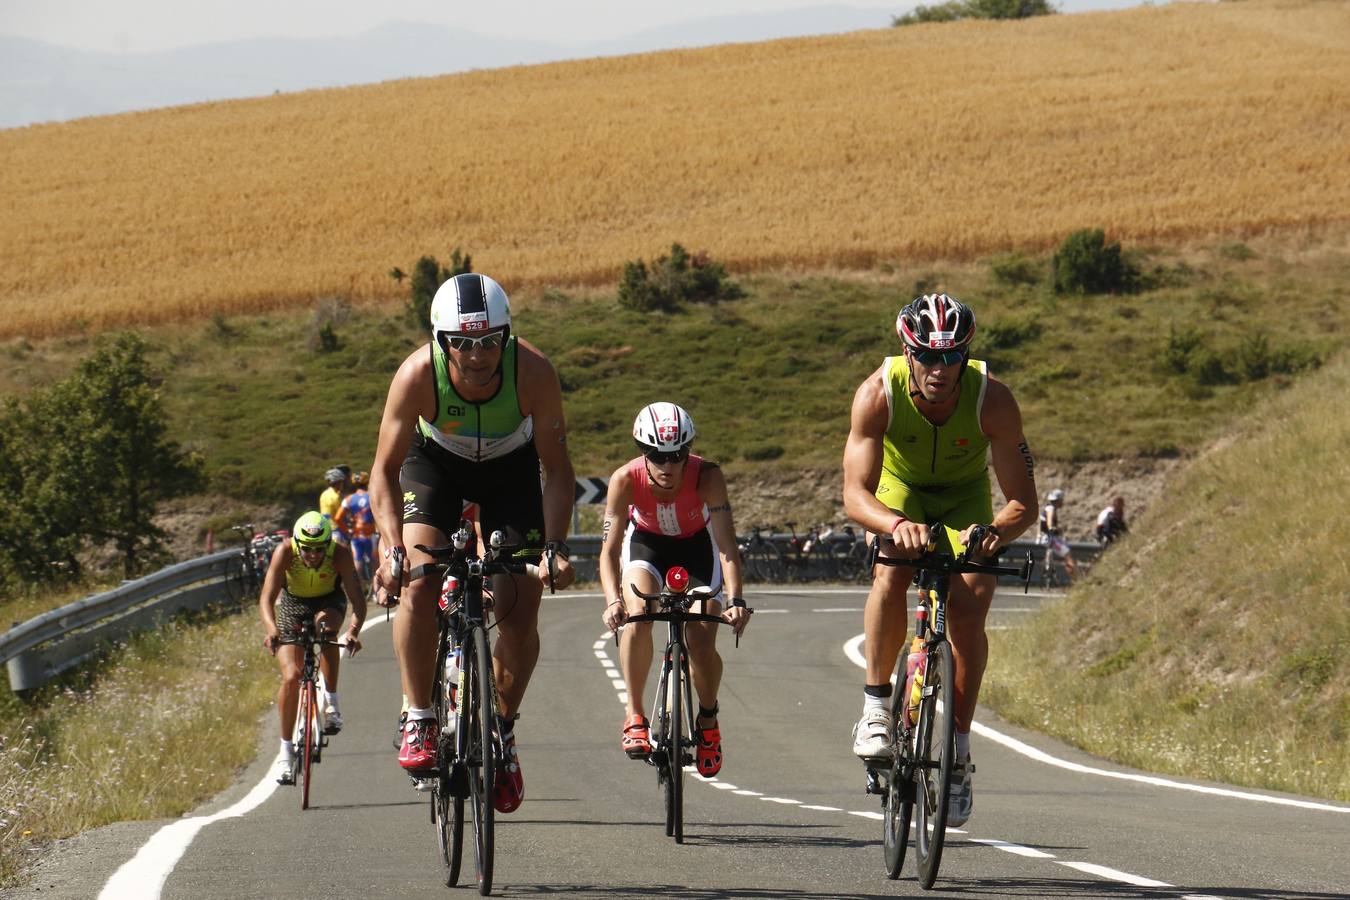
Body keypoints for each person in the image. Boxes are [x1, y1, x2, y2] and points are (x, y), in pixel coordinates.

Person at [370, 272, 576, 814]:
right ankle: (419, 717)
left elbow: (556, 472)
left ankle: (502, 734)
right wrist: (392, 551)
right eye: (463, 342)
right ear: (442, 342)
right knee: (419, 585)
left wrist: (555, 548)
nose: (478, 355)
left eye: (489, 341)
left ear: (506, 337)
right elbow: (383, 473)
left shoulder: (533, 373)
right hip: (435, 468)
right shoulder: (417, 375)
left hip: (510, 473)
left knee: (519, 606)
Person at [841, 292, 1038, 828]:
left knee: (972, 600)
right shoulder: (877, 395)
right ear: (908, 352)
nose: (939, 368)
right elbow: (855, 495)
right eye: (927, 355)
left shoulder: (992, 400)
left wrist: (993, 532)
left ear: (965, 356)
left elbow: (1024, 502)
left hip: (964, 498)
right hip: (899, 494)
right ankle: (877, 708)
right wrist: (894, 525)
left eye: (952, 357)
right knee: (891, 572)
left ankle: (957, 753)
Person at [599, 403, 752, 777]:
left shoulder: (708, 476)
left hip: (696, 546)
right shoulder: (625, 479)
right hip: (647, 545)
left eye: (676, 455)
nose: (667, 466)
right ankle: (635, 715)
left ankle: (708, 719)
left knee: (701, 639)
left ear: (688, 452)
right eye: (657, 455)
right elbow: (609, 551)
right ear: (642, 452)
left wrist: (735, 600)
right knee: (637, 618)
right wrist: (613, 601)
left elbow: (727, 546)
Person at [259, 511, 367, 785]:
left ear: (327, 544)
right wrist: (272, 630)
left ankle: (331, 702)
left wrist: (353, 632)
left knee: (327, 631)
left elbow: (358, 600)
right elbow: (267, 599)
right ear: (297, 543)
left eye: (319, 549)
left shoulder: (339, 554)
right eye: (306, 548)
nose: (312, 554)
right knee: (292, 677)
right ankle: (285, 752)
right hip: (293, 605)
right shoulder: (285, 552)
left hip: (328, 602)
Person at [335, 470, 379, 586]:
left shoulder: (348, 499)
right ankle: (377, 591)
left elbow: (338, 518)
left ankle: (358, 589)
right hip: (371, 534)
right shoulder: (372, 497)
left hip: (356, 535)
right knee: (375, 563)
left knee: (357, 562)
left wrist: (346, 530)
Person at [1037, 488, 1078, 582]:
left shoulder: (1049, 507)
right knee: (1068, 555)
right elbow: (1049, 523)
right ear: (1058, 500)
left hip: (1049, 538)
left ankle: (1074, 578)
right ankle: (1075, 580)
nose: (1063, 502)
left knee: (1067, 556)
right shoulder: (1051, 509)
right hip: (1050, 539)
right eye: (1062, 500)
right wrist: (1054, 528)